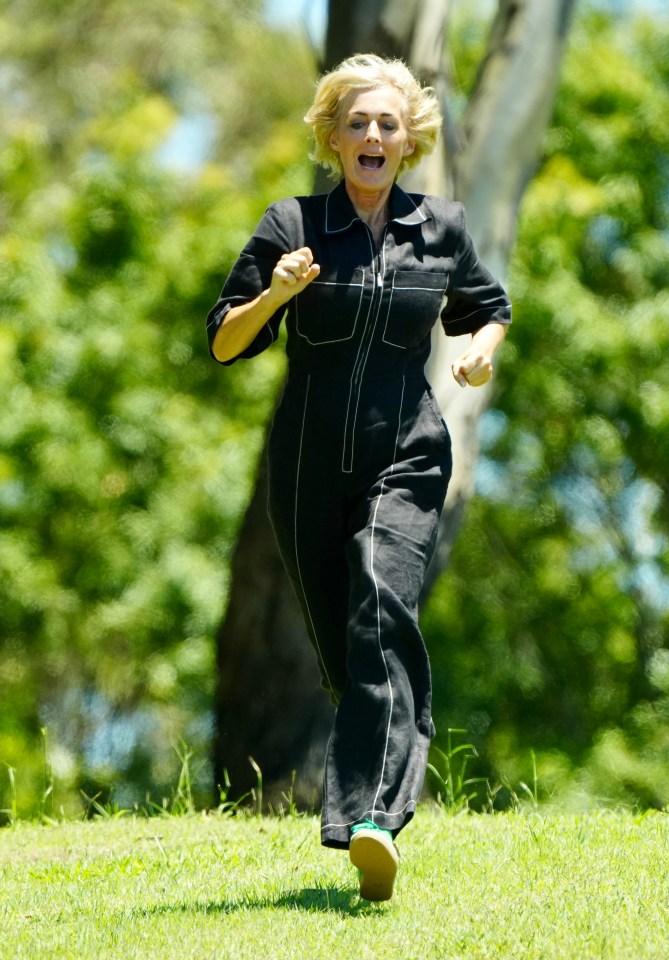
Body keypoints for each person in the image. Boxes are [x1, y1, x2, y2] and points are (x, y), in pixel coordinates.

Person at [206, 53, 511, 902]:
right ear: (331, 136)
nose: (373, 136)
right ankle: (387, 760)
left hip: (407, 453)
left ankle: (372, 823)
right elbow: (225, 341)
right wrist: (275, 294)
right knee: (350, 653)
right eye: (357, 122)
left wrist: (479, 356)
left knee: (382, 604)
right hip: (306, 466)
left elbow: (486, 306)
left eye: (388, 123)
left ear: (408, 139)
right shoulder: (290, 223)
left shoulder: (439, 226)